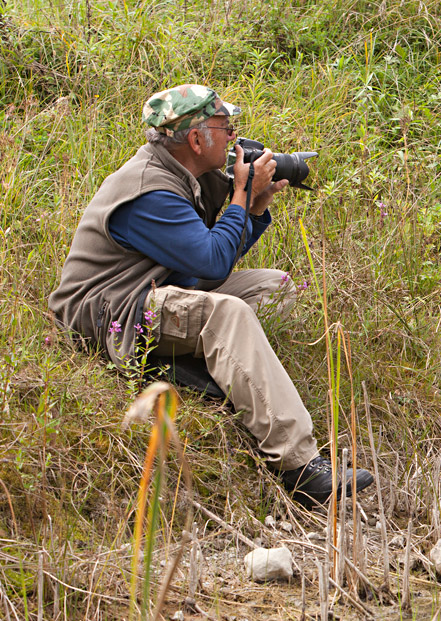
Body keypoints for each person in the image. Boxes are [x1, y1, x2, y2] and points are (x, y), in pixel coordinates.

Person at [49, 84, 373, 509]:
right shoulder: (149, 190)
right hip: (111, 311)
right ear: (197, 138)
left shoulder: (185, 174)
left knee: (274, 286)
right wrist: (240, 193)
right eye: (225, 127)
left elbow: (209, 258)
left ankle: (180, 366)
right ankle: (300, 464)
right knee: (229, 313)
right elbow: (212, 263)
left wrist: (253, 206)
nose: (234, 136)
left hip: (155, 289)